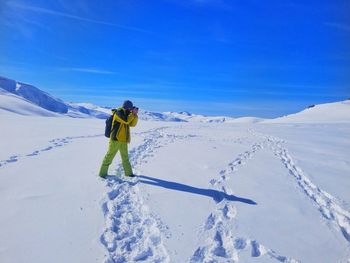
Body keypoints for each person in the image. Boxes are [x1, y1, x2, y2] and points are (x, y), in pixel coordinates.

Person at [99, 100, 138, 178]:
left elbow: (132, 124)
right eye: (130, 108)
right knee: (109, 156)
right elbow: (126, 121)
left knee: (125, 157)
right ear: (127, 107)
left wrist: (135, 115)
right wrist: (132, 114)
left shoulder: (128, 114)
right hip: (115, 139)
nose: (131, 110)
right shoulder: (118, 113)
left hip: (124, 140)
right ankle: (102, 173)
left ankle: (129, 173)